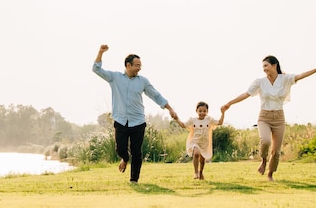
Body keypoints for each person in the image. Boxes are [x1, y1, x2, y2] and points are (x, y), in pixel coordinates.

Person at [221, 56, 316, 181]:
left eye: (266, 66)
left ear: (274, 65)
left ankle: (270, 174)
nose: (264, 69)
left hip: (279, 118)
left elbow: (300, 76)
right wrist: (229, 103)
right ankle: (263, 160)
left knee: (276, 151)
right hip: (264, 117)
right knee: (265, 141)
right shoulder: (259, 82)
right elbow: (246, 94)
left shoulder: (285, 79)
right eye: (263, 67)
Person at [92, 44, 178, 183]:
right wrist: (101, 52)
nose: (139, 68)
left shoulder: (143, 81)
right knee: (120, 149)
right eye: (136, 65)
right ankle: (124, 158)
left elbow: (156, 95)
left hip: (138, 121)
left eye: (140, 66)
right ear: (128, 65)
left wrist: (170, 108)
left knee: (136, 151)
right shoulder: (115, 77)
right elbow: (96, 69)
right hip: (120, 120)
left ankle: (134, 179)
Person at [174, 101, 225, 180]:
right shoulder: (193, 120)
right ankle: (196, 172)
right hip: (194, 142)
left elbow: (220, 122)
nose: (202, 113)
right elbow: (183, 125)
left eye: (204, 111)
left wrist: (223, 113)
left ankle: (201, 172)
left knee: (202, 159)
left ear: (207, 111)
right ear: (196, 111)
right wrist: (177, 119)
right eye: (200, 111)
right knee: (196, 153)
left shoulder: (209, 119)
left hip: (204, 143)